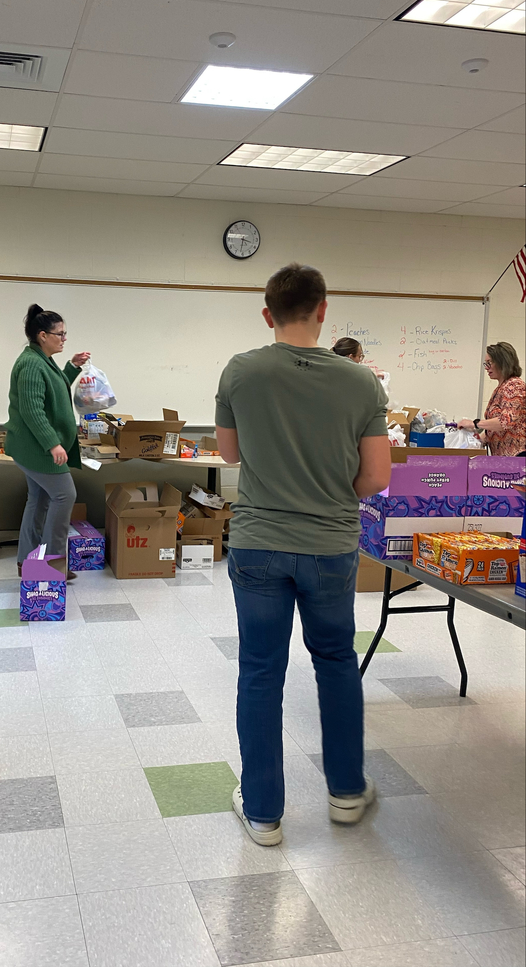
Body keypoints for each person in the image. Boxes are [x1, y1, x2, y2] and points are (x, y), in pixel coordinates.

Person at [215, 263, 391, 846]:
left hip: (259, 543)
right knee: (336, 661)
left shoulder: (241, 371)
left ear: (268, 314)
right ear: (322, 309)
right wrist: (329, 489)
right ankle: (346, 793)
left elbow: (231, 454)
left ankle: (263, 813)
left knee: (261, 672)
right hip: (331, 547)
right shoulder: (362, 383)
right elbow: (375, 476)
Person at [5, 304, 90, 580]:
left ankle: (26, 562)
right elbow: (32, 410)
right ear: (43, 335)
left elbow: (53, 386)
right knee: (65, 495)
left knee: (39, 499)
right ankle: (52, 564)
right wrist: (53, 444)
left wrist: (72, 368)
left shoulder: (41, 360)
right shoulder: (31, 363)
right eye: (60, 334)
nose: (64, 338)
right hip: (38, 450)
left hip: (34, 448)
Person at [458, 343, 526, 457]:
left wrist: (475, 424)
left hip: (516, 457)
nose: (486, 367)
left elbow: (506, 421)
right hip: (502, 457)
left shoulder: (514, 385)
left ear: (503, 362)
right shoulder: (499, 389)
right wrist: (479, 439)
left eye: (489, 363)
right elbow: (495, 428)